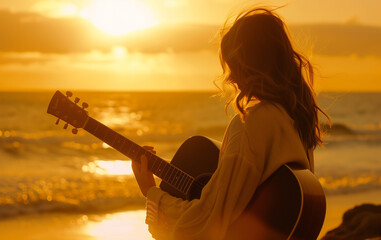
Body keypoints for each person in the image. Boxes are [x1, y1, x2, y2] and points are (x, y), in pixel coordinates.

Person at [132, 7, 329, 240]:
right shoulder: (297, 117)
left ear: (248, 64)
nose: (231, 78)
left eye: (233, 66)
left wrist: (150, 191)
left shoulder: (252, 123)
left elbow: (206, 222)